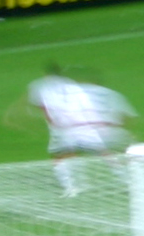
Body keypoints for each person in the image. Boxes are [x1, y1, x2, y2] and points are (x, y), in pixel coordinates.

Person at [10, 63, 136, 196]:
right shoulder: (110, 93)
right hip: (108, 130)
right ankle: (130, 182)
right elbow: (128, 117)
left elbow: (53, 111)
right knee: (111, 153)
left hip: (73, 131)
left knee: (62, 155)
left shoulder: (70, 92)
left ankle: (73, 188)